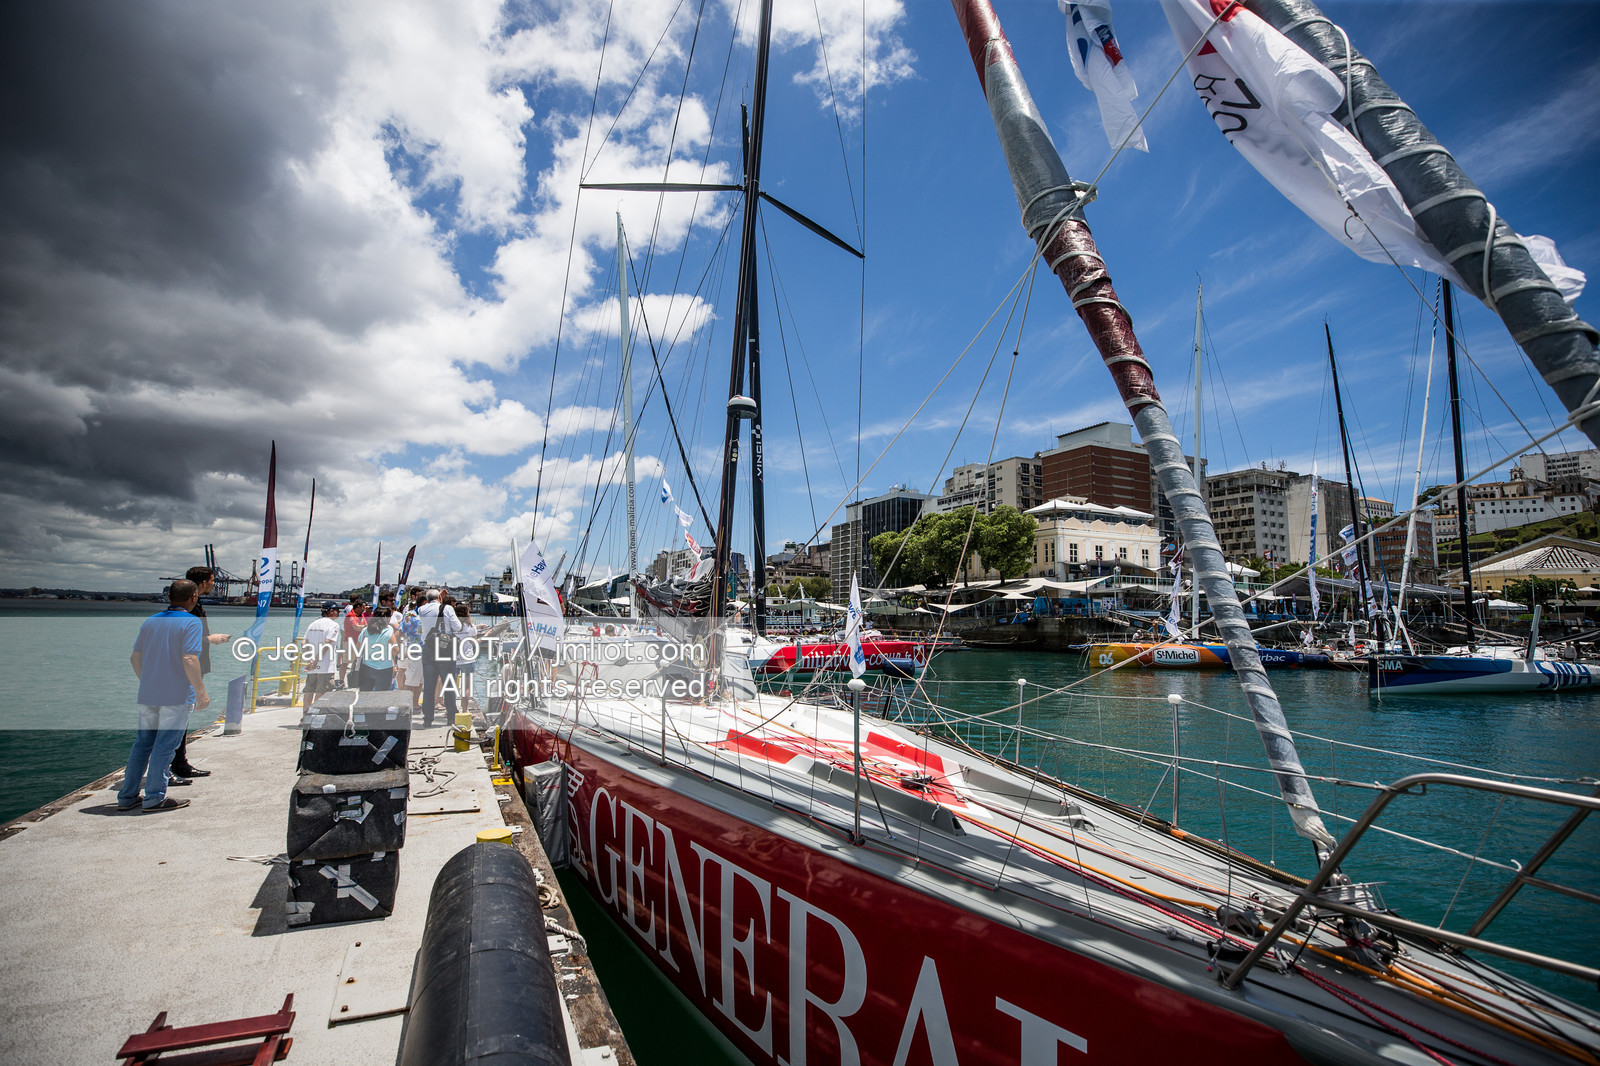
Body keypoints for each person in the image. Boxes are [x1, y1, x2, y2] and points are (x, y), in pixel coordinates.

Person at [118, 579, 208, 812]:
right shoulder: (191, 622)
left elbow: (134, 658)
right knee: (165, 746)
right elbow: (189, 658)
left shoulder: (150, 622)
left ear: (169, 598)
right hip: (176, 694)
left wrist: (148, 680)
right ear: (194, 598)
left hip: (148, 692)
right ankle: (155, 797)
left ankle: (127, 796)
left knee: (142, 744)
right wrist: (201, 691)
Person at [168, 566, 231, 780]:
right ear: (203, 583)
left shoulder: (191, 606)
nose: (215, 584)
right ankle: (175, 766)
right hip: (185, 671)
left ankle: (178, 763)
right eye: (213, 581)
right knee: (177, 721)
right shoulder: (189, 609)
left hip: (186, 670)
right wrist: (210, 640)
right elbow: (182, 644)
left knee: (179, 721)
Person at [416, 589, 463, 728]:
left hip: (428, 648)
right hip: (444, 649)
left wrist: (439, 597)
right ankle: (451, 716)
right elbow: (458, 627)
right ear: (440, 598)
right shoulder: (447, 608)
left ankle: (428, 718)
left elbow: (431, 606)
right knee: (448, 684)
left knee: (429, 685)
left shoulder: (422, 609)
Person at [301, 602, 342, 711]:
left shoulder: (313, 623)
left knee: (309, 691)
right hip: (325, 665)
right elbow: (327, 643)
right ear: (331, 611)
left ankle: (305, 716)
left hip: (312, 666)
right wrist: (315, 661)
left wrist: (309, 659)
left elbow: (304, 642)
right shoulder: (334, 625)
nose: (339, 612)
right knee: (322, 691)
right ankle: (314, 715)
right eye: (337, 610)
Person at [448, 601, 478, 716]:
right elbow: (474, 642)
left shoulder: (452, 626)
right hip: (468, 659)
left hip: (454, 659)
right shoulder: (471, 627)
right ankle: (465, 710)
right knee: (466, 687)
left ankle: (450, 710)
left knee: (451, 686)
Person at [357, 610, 397, 691]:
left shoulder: (365, 630)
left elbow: (357, 648)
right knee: (381, 697)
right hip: (384, 668)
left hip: (366, 667)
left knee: (364, 696)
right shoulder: (388, 631)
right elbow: (396, 650)